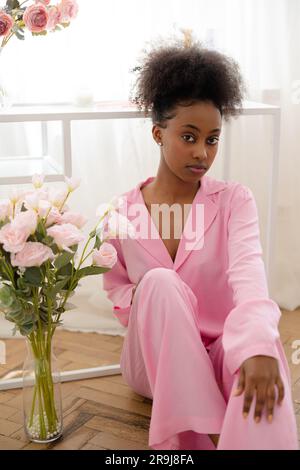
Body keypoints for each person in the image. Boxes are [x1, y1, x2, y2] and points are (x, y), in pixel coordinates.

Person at [102, 31, 298, 450]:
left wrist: (259, 347)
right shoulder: (122, 212)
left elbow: (249, 277)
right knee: (158, 282)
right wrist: (150, 306)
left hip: (216, 356)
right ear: (158, 134)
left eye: (211, 140)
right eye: (188, 137)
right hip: (153, 363)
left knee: (262, 347)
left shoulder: (233, 201)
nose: (202, 154)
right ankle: (198, 440)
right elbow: (118, 290)